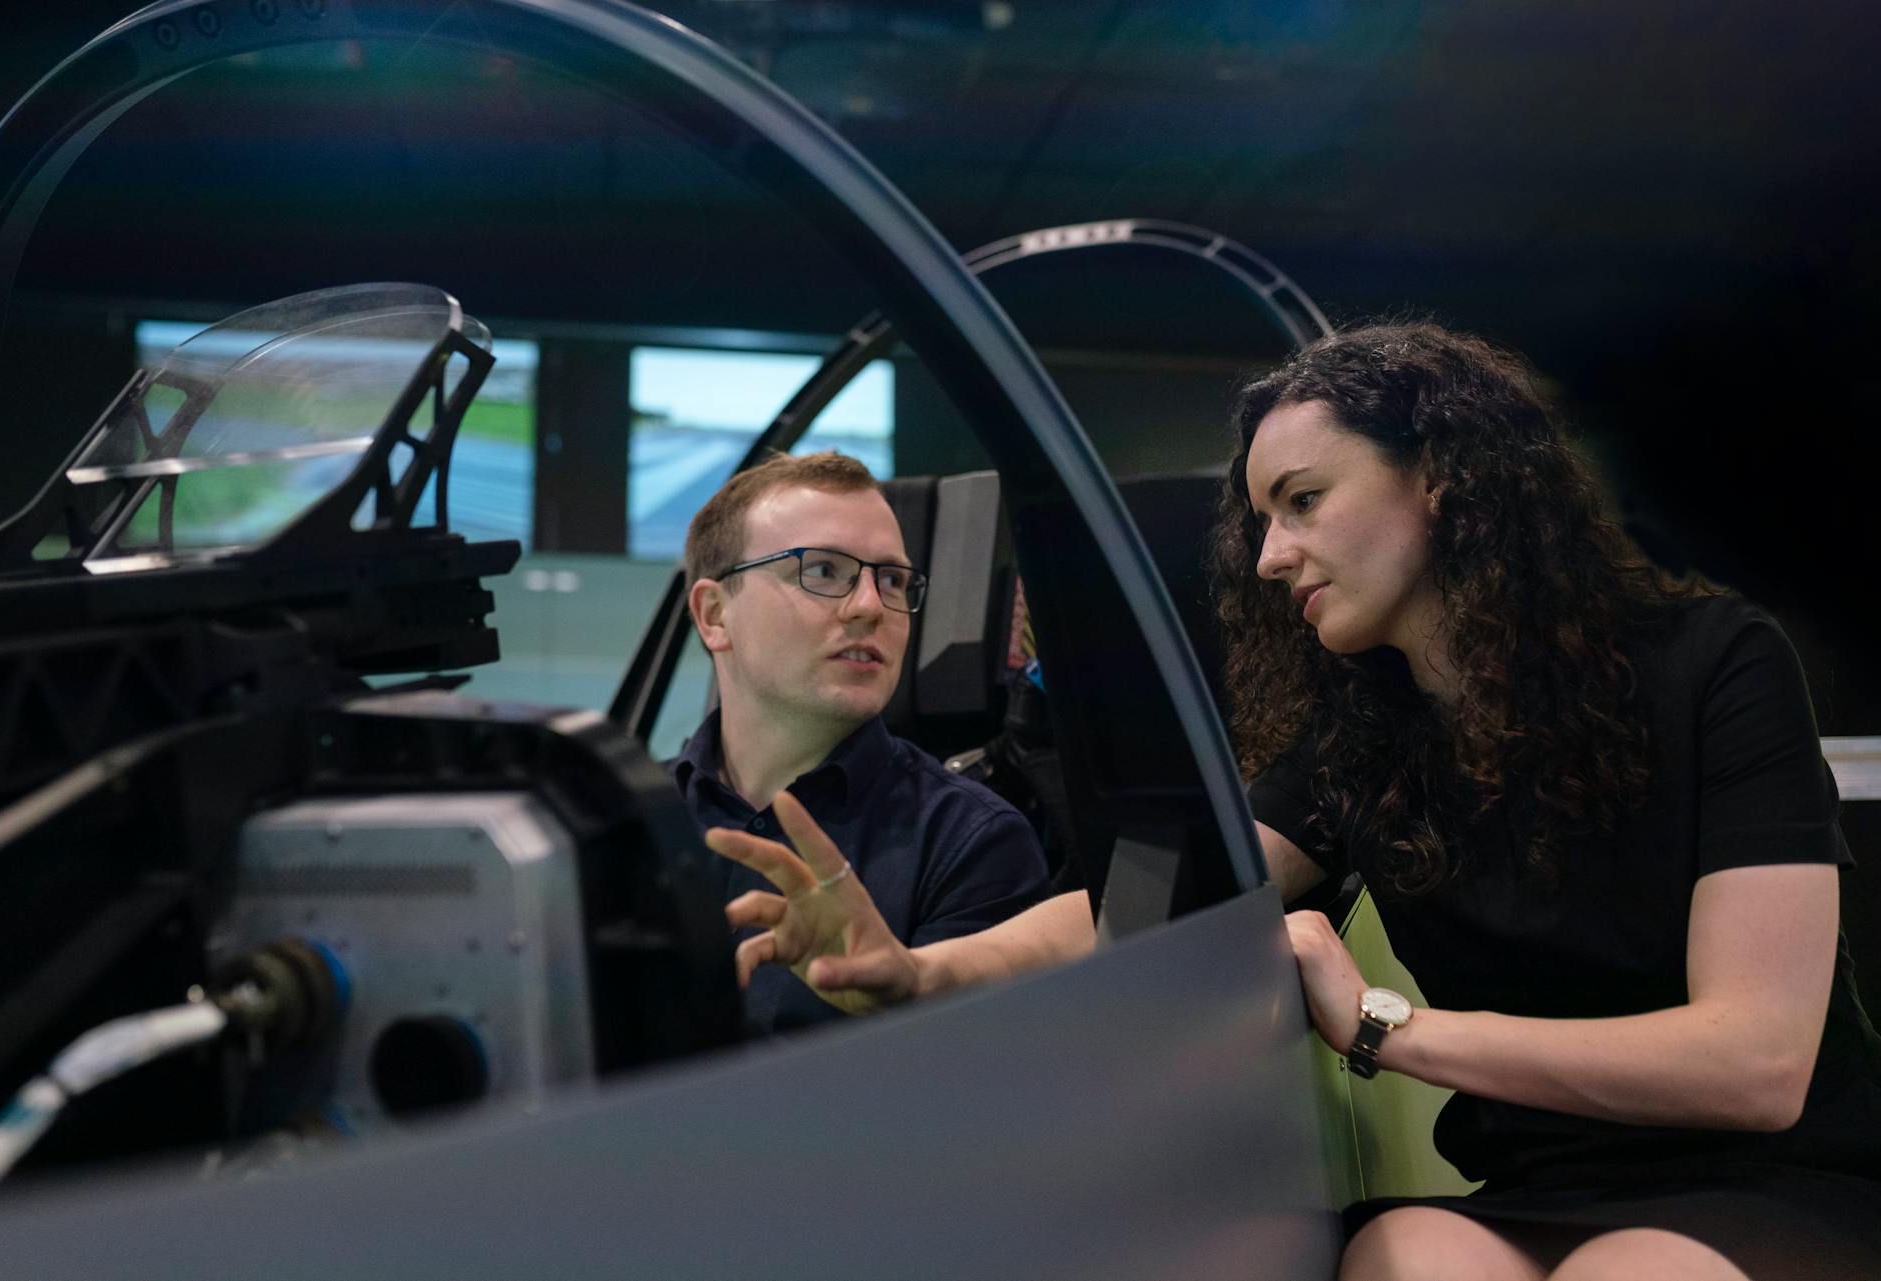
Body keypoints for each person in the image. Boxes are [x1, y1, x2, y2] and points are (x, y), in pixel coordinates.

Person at [709, 326, 1881, 1278]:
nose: (1271, 556)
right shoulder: (1365, 735)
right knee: (1403, 1254)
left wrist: (1384, 1028)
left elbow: (1756, 1066)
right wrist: (924, 973)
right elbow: (1134, 911)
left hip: (1764, 1178)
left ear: (1444, 481)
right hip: (1538, 1190)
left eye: (1304, 501)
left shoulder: (1713, 663)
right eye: (1265, 518)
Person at [672, 450, 1049, 1037]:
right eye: (822, 571)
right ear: (714, 614)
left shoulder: (973, 843)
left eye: (893, 579)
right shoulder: (625, 821)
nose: (873, 606)